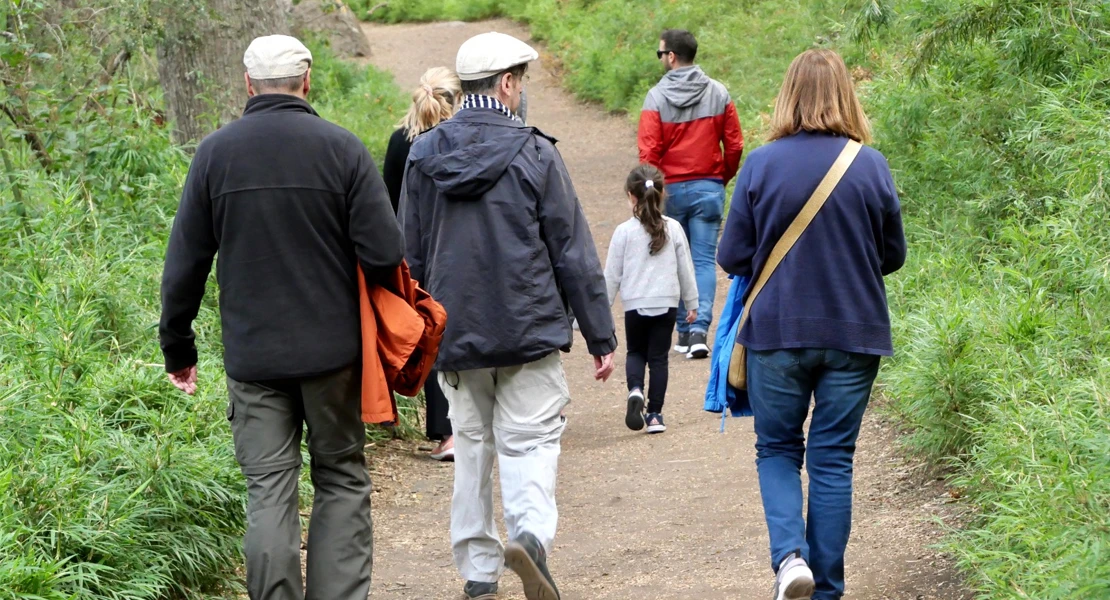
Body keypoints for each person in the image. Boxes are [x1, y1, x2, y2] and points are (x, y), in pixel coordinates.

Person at [159, 35, 402, 600]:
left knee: (269, 488)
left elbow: (184, 263)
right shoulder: (342, 149)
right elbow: (385, 253)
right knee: (340, 476)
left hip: (254, 358)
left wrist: (179, 348)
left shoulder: (215, 154)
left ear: (248, 84)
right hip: (333, 355)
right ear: (307, 81)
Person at [398, 31, 617, 600]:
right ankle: (529, 537)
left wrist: (415, 342)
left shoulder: (423, 155)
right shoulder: (536, 151)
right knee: (531, 442)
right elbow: (570, 248)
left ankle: (477, 569)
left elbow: (409, 257)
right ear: (508, 84)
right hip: (527, 328)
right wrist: (599, 334)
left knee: (471, 444)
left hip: (456, 333)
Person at [716, 49, 906, 600]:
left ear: (788, 95)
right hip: (855, 332)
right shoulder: (871, 165)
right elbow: (891, 255)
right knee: (832, 458)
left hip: (777, 333)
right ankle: (825, 590)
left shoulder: (761, 164)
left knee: (777, 449)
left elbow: (732, 255)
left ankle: (789, 561)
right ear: (846, 94)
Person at [638, 28, 743, 360]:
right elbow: (735, 144)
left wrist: (652, 195)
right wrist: (719, 178)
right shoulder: (718, 92)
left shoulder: (655, 98)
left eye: (661, 54)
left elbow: (648, 155)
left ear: (671, 57)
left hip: (670, 191)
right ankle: (697, 332)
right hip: (708, 187)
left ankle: (682, 332)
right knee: (701, 261)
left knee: (673, 262)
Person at [382, 66, 462, 461]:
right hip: (460, 246)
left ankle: (447, 434)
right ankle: (478, 424)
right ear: (458, 98)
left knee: (431, 330)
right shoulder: (462, 141)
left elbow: (387, 198)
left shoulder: (401, 141)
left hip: (415, 249)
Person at [604, 164, 697, 434]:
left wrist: (601, 310)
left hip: (635, 304)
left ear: (630, 196)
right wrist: (691, 303)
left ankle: (635, 390)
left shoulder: (623, 232)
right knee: (658, 359)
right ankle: (655, 415)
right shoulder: (675, 228)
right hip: (666, 303)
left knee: (635, 352)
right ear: (662, 192)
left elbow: (612, 275)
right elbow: (685, 269)